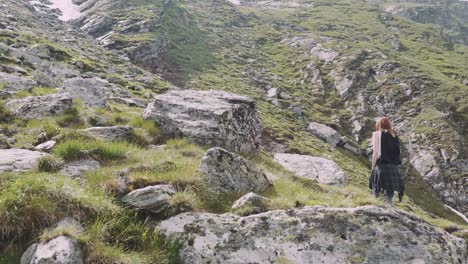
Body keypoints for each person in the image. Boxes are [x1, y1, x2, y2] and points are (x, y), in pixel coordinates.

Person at [369, 117, 404, 206]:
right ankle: (389, 207)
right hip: (393, 167)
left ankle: (378, 207)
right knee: (390, 191)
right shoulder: (394, 136)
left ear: (379, 125)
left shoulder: (377, 134)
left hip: (381, 165)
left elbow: (375, 152)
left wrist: (373, 168)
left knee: (377, 188)